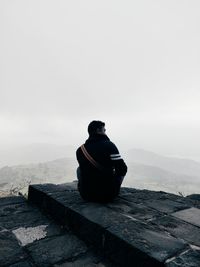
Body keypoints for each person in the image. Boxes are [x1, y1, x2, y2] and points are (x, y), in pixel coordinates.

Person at [76, 120, 127, 202]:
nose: (105, 132)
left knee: (79, 169)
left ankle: (86, 189)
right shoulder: (109, 145)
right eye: (104, 130)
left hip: (86, 195)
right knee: (121, 169)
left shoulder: (80, 150)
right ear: (98, 131)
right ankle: (113, 189)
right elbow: (122, 169)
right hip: (107, 196)